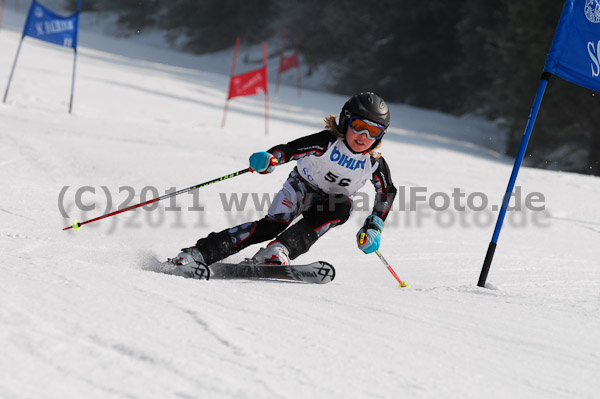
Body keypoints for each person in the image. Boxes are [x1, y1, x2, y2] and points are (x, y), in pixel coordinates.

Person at [170, 92, 397, 277]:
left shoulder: (373, 163)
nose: (364, 136)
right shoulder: (326, 142)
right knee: (272, 225)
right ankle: (198, 253)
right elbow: (290, 150)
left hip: (328, 203)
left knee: (342, 207)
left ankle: (278, 251)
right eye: (358, 126)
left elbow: (387, 191)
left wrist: (373, 226)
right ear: (346, 120)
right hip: (301, 188)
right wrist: (271, 158)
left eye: (374, 131)